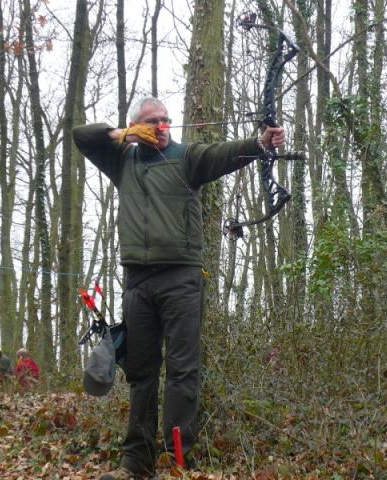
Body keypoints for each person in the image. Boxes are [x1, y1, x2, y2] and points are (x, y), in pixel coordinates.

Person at [73, 96, 285, 480]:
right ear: (137, 125)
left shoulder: (186, 158)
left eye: (166, 119)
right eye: (152, 121)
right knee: (141, 373)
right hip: (138, 281)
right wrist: (121, 135)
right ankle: (135, 464)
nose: (161, 126)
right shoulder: (123, 160)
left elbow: (224, 154)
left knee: (182, 370)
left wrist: (260, 143)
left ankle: (177, 462)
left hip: (181, 279)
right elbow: (82, 136)